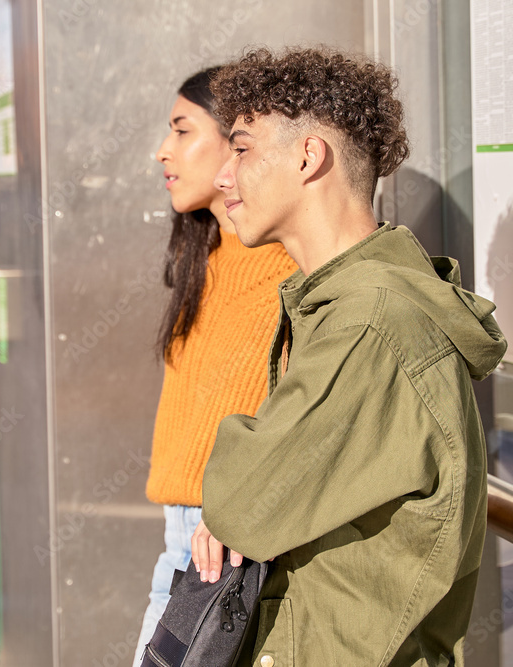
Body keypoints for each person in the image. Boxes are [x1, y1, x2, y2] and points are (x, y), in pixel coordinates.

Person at [191, 47, 507, 664]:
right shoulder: (344, 305)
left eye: (243, 148)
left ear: (309, 156)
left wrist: (233, 505)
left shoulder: (370, 322)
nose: (223, 175)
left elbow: (241, 499)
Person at [133, 68, 297, 667]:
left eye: (182, 130)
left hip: (230, 545)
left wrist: (230, 514)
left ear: (238, 143)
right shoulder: (206, 259)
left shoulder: (290, 273)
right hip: (185, 542)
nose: (163, 151)